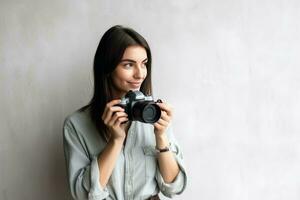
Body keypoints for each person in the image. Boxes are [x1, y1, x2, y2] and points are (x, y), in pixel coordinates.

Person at [63, 25, 187, 200]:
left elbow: (175, 186)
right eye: (128, 65)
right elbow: (83, 195)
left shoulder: (155, 116)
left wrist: (161, 138)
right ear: (107, 68)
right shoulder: (76, 125)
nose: (140, 74)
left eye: (144, 64)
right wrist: (116, 141)